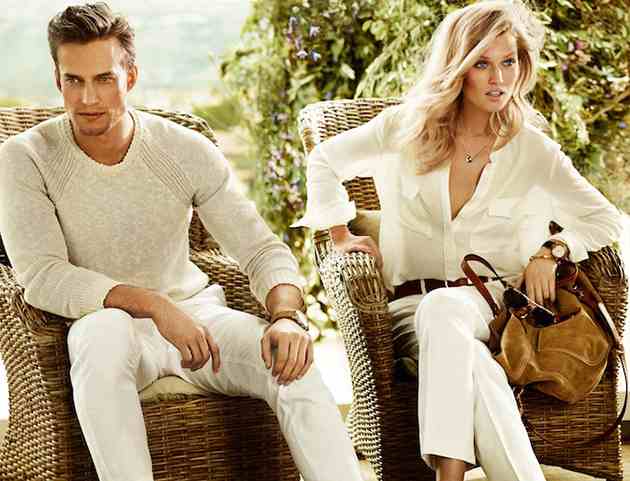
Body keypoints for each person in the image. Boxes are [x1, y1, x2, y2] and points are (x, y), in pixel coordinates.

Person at [0, 3, 364, 481]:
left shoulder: (183, 149)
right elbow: (42, 276)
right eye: (74, 80)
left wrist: (287, 317)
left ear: (130, 76)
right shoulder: (24, 158)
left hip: (200, 321)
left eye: (104, 79)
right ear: (57, 79)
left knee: (293, 364)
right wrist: (154, 306)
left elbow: (260, 249)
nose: (88, 98)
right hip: (105, 328)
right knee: (102, 334)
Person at [294, 1, 624, 480]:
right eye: (482, 64)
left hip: (494, 310)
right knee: (471, 359)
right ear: (457, 68)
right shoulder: (406, 129)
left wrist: (552, 251)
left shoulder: (532, 149)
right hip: (411, 309)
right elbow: (324, 160)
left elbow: (605, 219)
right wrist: (340, 232)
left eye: (508, 62)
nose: (498, 79)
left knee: (448, 311)